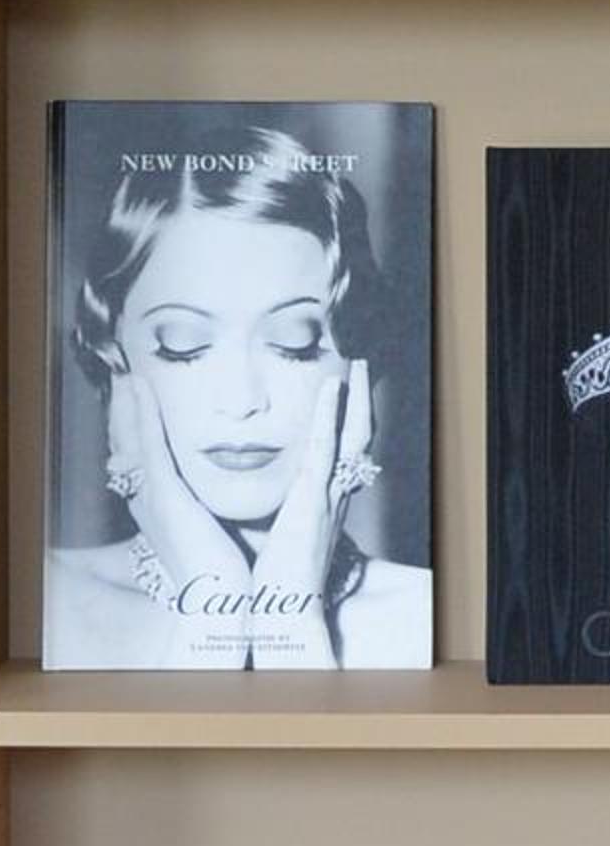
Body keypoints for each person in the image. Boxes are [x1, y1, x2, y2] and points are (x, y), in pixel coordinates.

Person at [43, 127, 431, 669]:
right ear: (113, 357)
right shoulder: (51, 607)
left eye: (295, 344)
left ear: (359, 358)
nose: (243, 400)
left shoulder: (422, 617)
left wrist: (291, 622)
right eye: (183, 345)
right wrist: (213, 611)